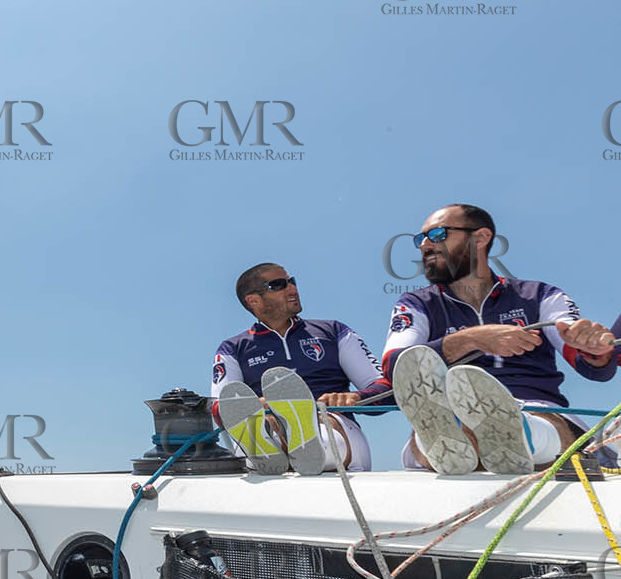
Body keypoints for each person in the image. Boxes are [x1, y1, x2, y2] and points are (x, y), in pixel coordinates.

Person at [383, 203, 617, 474]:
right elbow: (397, 365)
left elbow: (593, 367)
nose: (424, 245)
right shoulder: (417, 304)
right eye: (420, 239)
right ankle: (461, 435)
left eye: (437, 234)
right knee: (447, 418)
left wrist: (594, 348)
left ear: (481, 238)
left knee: (541, 422)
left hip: (536, 406)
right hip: (449, 409)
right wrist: (472, 339)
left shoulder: (539, 295)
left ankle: (512, 431)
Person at [212, 264, 389, 473]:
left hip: (332, 420)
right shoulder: (232, 349)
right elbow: (221, 408)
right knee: (265, 421)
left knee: (324, 423)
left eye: (292, 282)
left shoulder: (333, 331)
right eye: (279, 285)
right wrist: (253, 405)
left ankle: (292, 445)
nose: (292, 289)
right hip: (271, 422)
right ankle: (271, 443)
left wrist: (355, 397)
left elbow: (386, 389)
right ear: (254, 301)